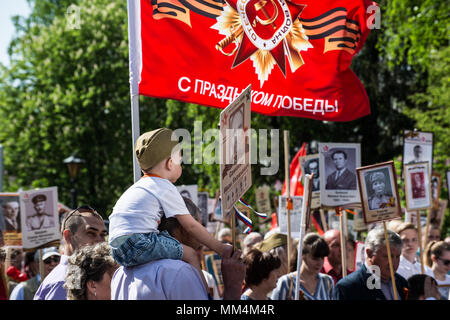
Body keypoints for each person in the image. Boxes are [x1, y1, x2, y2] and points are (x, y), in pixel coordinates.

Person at [108, 128, 231, 292]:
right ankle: (203, 293)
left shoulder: (137, 188)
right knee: (191, 255)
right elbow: (191, 226)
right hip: (139, 242)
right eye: (180, 160)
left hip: (116, 250)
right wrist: (220, 248)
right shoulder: (164, 186)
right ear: (169, 163)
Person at [111, 196, 245, 300]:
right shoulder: (178, 271)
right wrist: (233, 288)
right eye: (198, 223)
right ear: (185, 228)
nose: (203, 229)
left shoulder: (121, 273)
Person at [34, 205, 107, 300]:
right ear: (68, 236)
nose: (100, 241)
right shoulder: (65, 281)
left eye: (103, 234)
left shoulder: (79, 272)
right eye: (91, 233)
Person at [334, 227, 409, 300]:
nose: (393, 262)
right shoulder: (348, 287)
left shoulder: (402, 283)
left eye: (397, 256)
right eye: (387, 256)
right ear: (369, 253)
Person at [272, 233, 335, 300]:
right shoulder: (286, 283)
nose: (319, 263)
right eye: (315, 258)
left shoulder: (327, 281)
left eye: (322, 258)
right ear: (302, 255)